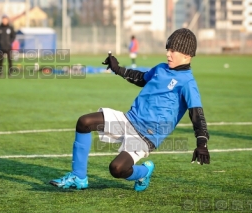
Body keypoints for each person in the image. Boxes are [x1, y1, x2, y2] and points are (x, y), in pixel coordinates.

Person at [49, 28, 210, 192]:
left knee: (117, 169)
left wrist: (202, 143)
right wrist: (117, 68)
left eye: (173, 50)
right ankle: (79, 177)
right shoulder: (161, 68)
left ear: (187, 55)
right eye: (167, 49)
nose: (168, 54)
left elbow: (197, 113)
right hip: (129, 120)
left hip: (146, 136)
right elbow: (141, 78)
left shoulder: (188, 83)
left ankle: (144, 172)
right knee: (84, 122)